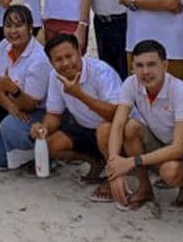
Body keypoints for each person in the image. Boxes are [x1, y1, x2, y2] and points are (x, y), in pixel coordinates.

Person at [104, 39, 183, 211]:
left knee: (170, 171)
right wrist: (114, 166)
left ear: (165, 65)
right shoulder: (131, 83)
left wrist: (131, 162)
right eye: (139, 65)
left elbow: (178, 148)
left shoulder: (181, 91)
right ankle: (145, 187)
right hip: (159, 141)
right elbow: (118, 124)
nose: (145, 71)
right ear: (133, 67)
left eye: (151, 64)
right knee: (130, 127)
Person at [31, 33, 122, 201]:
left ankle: (113, 179)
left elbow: (115, 114)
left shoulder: (101, 71)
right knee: (48, 144)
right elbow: (54, 114)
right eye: (58, 60)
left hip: (116, 130)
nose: (65, 63)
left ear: (79, 52)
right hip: (86, 129)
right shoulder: (55, 76)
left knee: (104, 129)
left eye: (69, 56)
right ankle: (95, 160)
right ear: (51, 62)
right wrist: (43, 128)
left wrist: (79, 94)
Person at [0, 5, 52, 170]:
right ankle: (30, 152)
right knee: (0, 160)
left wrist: (13, 90)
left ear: (30, 28)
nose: (13, 31)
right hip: (16, 109)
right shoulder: (3, 46)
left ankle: (47, 150)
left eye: (18, 25)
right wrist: (11, 107)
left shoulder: (39, 58)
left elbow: (31, 104)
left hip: (40, 112)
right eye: (8, 26)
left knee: (8, 127)